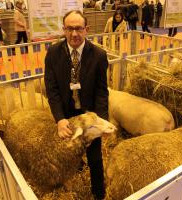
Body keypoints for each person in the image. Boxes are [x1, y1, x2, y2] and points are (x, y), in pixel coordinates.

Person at [44, 10, 108, 200]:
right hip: (67, 114)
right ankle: (73, 180)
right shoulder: (53, 53)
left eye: (78, 28)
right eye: (70, 28)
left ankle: (99, 194)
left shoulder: (98, 55)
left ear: (86, 29)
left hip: (90, 115)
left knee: (95, 157)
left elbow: (102, 91)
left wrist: (100, 120)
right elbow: (52, 89)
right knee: (69, 151)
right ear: (63, 30)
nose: (74, 34)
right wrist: (59, 119)